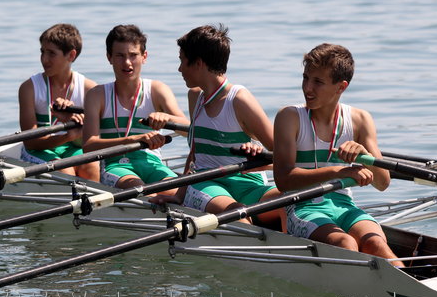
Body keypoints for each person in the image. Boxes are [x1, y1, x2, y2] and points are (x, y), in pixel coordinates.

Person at [273, 43, 403, 266]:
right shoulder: (289, 117)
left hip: (343, 205)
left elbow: (383, 183)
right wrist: (338, 171)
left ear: (341, 87)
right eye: (305, 78)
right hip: (302, 207)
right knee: (346, 244)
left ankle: (416, 287)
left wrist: (364, 156)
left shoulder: (360, 120)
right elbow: (283, 180)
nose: (307, 88)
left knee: (377, 245)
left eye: (318, 82)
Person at [155, 24, 286, 230]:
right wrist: (180, 194)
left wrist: (260, 156)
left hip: (247, 181)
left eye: (182, 61)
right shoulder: (195, 97)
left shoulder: (240, 100)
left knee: (290, 201)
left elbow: (283, 156)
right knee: (236, 214)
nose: (179, 69)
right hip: (206, 183)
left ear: (198, 63)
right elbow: (195, 152)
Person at [82, 24, 189, 192]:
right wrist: (132, 140)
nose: (127, 62)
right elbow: (88, 146)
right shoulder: (97, 95)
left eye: (133, 55)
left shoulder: (157, 90)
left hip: (152, 163)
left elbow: (188, 129)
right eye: (120, 55)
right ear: (109, 57)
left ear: (144, 56)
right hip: (115, 166)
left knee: (175, 192)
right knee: (138, 189)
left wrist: (167, 118)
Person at [18, 23, 99, 181]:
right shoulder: (29, 88)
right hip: (37, 150)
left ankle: (96, 204)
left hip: (72, 147)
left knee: (92, 168)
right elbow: (30, 142)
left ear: (71, 55)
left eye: (51, 53)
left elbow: (92, 140)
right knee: (65, 170)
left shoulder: (90, 89)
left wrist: (73, 130)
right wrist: (68, 136)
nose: (44, 59)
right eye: (42, 52)